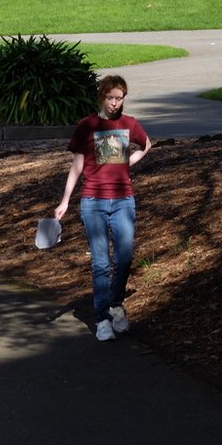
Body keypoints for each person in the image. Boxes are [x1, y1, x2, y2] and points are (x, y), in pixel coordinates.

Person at [54, 74, 151, 342]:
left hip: (123, 200)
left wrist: (127, 163)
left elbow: (146, 144)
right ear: (102, 96)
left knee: (124, 257)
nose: (115, 103)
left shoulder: (129, 124)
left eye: (119, 99)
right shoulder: (87, 125)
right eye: (110, 98)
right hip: (93, 201)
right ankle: (101, 319)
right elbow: (76, 165)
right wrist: (65, 201)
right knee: (100, 263)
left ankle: (115, 303)